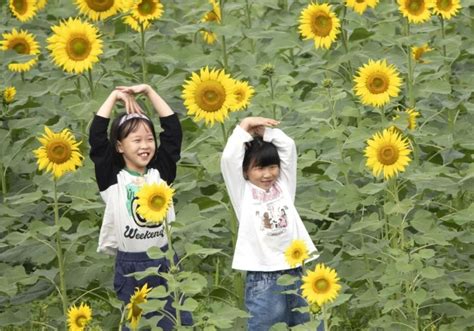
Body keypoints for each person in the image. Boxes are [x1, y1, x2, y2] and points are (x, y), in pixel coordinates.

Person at [88, 84, 192, 330]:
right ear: (120, 146)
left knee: (175, 320)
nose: (145, 145)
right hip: (131, 264)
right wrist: (114, 97)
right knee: (137, 324)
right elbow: (97, 139)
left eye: (149, 139)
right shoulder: (113, 180)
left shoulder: (160, 172)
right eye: (136, 140)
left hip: (165, 260)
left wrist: (149, 91)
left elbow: (173, 131)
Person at [220, 117, 320, 331]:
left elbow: (289, 147)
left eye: (272, 167)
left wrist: (265, 132)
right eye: (259, 168)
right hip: (263, 274)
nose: (268, 174)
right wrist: (245, 126)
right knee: (266, 327)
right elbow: (229, 158)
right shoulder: (243, 192)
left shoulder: (283, 185)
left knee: (309, 324)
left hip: (295, 268)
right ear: (246, 171)